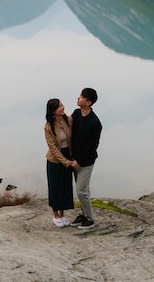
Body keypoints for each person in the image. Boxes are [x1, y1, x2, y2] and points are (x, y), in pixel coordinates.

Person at [70, 87, 102, 229]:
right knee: (84, 189)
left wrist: (79, 161)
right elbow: (67, 127)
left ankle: (90, 219)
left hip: (85, 162)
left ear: (88, 102)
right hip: (74, 159)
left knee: (81, 191)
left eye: (81, 97)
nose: (78, 98)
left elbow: (92, 146)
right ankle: (83, 214)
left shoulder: (95, 123)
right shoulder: (76, 113)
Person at [44, 98, 75, 227]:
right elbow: (53, 148)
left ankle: (62, 214)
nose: (62, 108)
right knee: (55, 187)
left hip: (68, 156)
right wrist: (65, 161)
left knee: (65, 187)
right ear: (53, 111)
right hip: (55, 160)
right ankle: (55, 215)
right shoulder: (48, 127)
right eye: (59, 107)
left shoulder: (69, 120)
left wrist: (71, 159)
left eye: (62, 105)